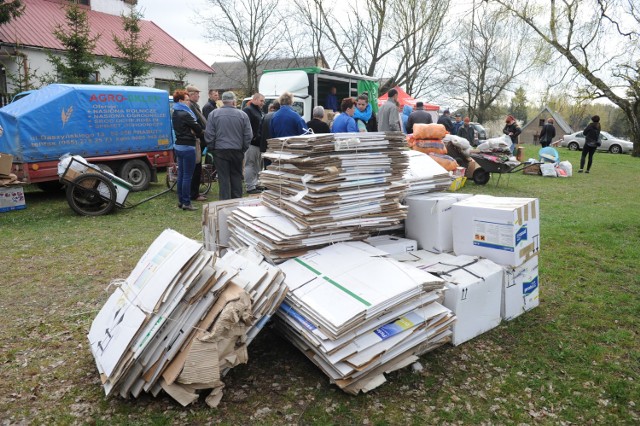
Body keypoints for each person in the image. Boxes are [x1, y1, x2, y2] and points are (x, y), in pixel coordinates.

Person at [204, 91, 252, 200]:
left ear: (223, 101)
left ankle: (224, 202)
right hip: (236, 150)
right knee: (236, 177)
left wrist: (212, 147)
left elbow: (209, 133)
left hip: (220, 151)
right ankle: (236, 201)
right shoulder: (242, 115)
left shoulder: (214, 114)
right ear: (234, 102)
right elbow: (248, 135)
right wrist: (243, 148)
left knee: (223, 178)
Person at [172, 89, 203, 211]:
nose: (189, 103)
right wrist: (196, 131)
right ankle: (186, 202)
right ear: (180, 101)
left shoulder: (175, 112)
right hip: (188, 146)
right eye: (187, 100)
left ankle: (181, 200)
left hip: (178, 146)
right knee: (187, 176)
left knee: (181, 175)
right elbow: (198, 128)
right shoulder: (185, 114)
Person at [185, 85, 208, 202]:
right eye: (197, 93)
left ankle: (193, 192)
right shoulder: (190, 107)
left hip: (198, 139)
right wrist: (203, 132)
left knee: (195, 167)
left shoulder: (195, 106)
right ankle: (194, 194)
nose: (198, 95)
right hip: (196, 140)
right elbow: (196, 125)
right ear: (190, 94)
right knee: (196, 168)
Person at [243, 93, 265, 194]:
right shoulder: (248, 110)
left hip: (258, 143)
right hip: (251, 143)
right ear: (255, 99)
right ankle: (250, 186)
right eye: (261, 101)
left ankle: (255, 184)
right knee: (250, 164)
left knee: (257, 165)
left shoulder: (258, 111)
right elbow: (245, 127)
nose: (263, 103)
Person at [260, 101, 280, 170]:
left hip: (266, 146)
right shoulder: (279, 116)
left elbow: (260, 131)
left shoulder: (266, 116)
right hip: (276, 146)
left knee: (267, 167)